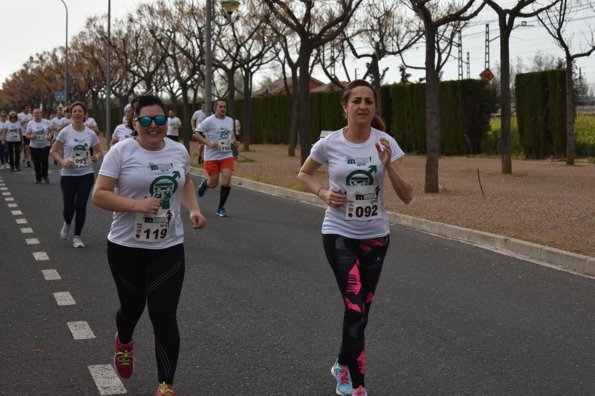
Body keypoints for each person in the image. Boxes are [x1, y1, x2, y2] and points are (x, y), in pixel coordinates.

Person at [297, 80, 413, 396]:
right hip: (338, 232)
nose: (363, 106)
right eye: (357, 100)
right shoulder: (330, 143)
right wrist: (322, 192)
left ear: (374, 107)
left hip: (376, 236)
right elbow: (304, 173)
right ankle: (355, 383)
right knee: (355, 306)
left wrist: (388, 167)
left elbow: (407, 196)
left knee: (361, 309)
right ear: (345, 106)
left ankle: (341, 362)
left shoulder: (386, 143)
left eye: (369, 101)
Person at [92, 94, 206, 396]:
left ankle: (165, 384)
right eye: (146, 120)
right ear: (134, 122)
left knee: (164, 314)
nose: (153, 126)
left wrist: (194, 209)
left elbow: (185, 183)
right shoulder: (120, 152)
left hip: (168, 246)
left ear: (167, 121)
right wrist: (135, 205)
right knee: (131, 309)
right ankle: (125, 341)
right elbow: (100, 194)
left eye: (159, 120)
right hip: (125, 247)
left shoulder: (179, 150)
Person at [50, 101, 101, 248]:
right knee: (68, 207)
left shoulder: (90, 133)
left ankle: (77, 236)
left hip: (86, 174)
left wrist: (96, 157)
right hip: (68, 175)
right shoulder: (65, 132)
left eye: (80, 111)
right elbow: (53, 150)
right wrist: (63, 161)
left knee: (80, 205)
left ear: (85, 114)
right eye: (75, 111)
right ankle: (67, 222)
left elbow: (98, 151)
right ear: (71, 114)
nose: (77, 113)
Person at [193, 99, 239, 217]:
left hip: (226, 155)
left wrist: (234, 142)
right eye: (220, 107)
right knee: (213, 183)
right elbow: (196, 134)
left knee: (227, 179)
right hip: (211, 156)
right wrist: (208, 143)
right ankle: (204, 185)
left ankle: (221, 208)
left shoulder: (229, 120)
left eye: (225, 107)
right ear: (215, 108)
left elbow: (231, 134)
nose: (223, 109)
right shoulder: (209, 121)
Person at [25, 108, 53, 184]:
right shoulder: (30, 123)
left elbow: (50, 131)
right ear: (33, 114)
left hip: (45, 145)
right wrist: (31, 137)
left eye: (38, 113)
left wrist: (50, 136)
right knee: (36, 162)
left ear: (41, 114)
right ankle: (38, 178)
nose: (37, 114)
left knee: (44, 160)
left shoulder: (46, 122)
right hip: (34, 146)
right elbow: (27, 135)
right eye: (35, 113)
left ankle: (45, 175)